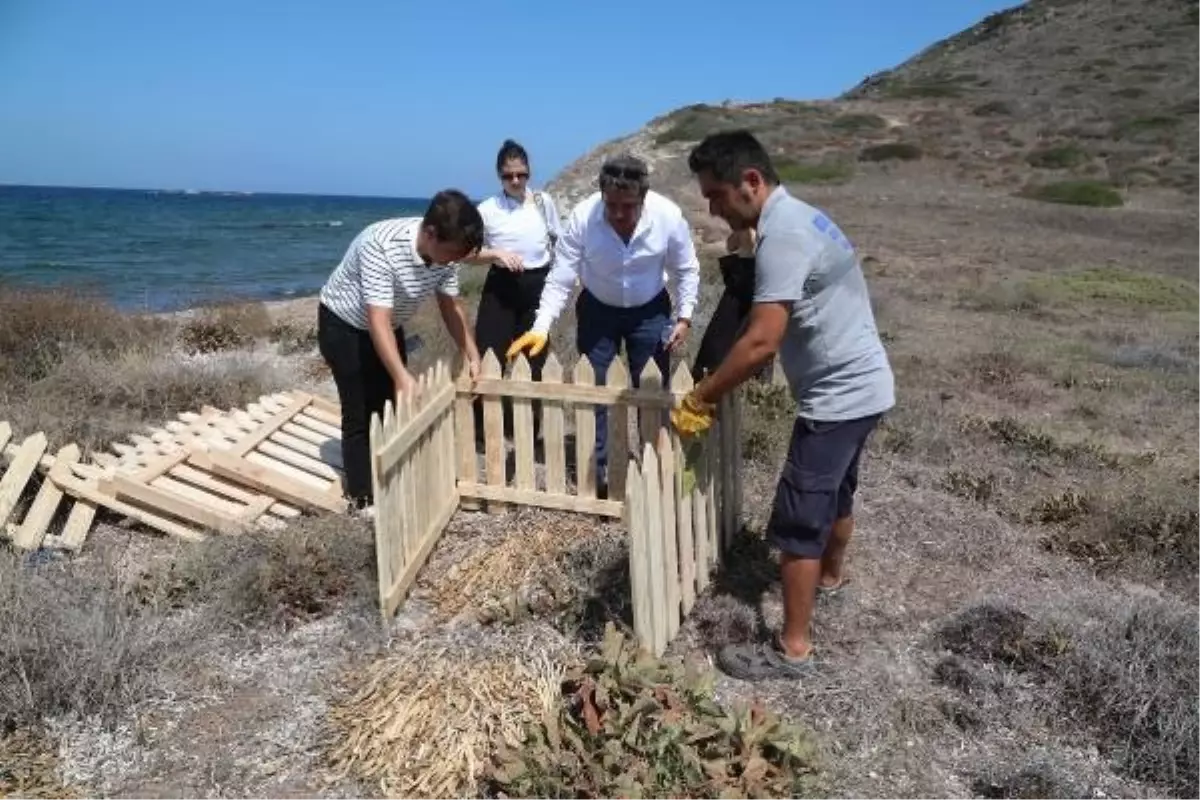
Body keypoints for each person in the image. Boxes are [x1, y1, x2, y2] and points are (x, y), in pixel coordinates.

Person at [671, 129, 895, 682]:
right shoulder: (801, 217)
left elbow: (761, 340)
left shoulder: (784, 236)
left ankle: (792, 649)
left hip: (837, 399)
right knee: (839, 495)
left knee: (799, 522)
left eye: (717, 195)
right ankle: (831, 581)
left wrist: (703, 395)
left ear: (751, 182)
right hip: (868, 388)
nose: (713, 207)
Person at [507, 153, 701, 493]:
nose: (618, 214)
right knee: (595, 393)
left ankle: (653, 472)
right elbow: (561, 277)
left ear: (643, 198)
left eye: (628, 206)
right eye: (611, 205)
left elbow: (686, 269)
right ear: (601, 196)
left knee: (651, 393)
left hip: (651, 310)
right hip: (597, 308)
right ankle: (600, 477)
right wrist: (540, 327)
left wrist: (684, 316)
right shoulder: (583, 217)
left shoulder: (668, 216)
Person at [317, 189, 486, 513]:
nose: (453, 262)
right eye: (451, 254)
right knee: (360, 412)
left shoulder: (447, 251)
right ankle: (363, 501)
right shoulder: (380, 244)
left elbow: (451, 306)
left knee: (390, 408)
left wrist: (472, 353)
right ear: (431, 233)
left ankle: (388, 479)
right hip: (343, 326)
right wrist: (401, 375)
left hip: (387, 325)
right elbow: (376, 319)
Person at [463, 139, 562, 442]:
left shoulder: (544, 203)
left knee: (533, 360)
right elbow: (466, 253)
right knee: (489, 356)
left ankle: (527, 432)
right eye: (509, 176)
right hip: (501, 287)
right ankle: (482, 430)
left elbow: (558, 242)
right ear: (499, 176)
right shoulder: (487, 209)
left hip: (538, 286)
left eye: (522, 174)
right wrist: (495, 254)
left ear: (529, 172)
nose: (516, 181)